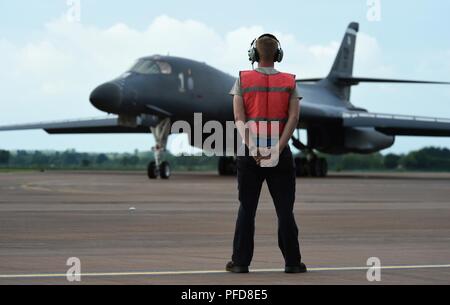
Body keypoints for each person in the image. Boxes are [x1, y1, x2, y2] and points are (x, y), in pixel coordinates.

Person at [226, 34, 306, 274]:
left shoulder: (243, 79)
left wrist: (252, 148)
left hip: (250, 155)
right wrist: (278, 148)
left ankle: (240, 263)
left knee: (247, 209)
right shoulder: (290, 81)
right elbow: (294, 118)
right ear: (278, 55)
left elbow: (239, 118)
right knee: (284, 210)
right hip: (279, 155)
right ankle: (292, 263)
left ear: (254, 54)